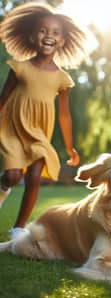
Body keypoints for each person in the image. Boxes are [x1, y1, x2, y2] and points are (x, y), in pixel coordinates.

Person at [0, 2, 89, 239]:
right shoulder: (18, 67)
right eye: (43, 31)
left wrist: (69, 146)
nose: (48, 36)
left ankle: (18, 227)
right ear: (31, 36)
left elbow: (64, 114)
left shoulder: (62, 78)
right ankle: (3, 187)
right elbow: (3, 99)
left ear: (62, 41)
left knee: (35, 176)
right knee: (12, 176)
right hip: (13, 130)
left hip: (40, 133)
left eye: (55, 33)